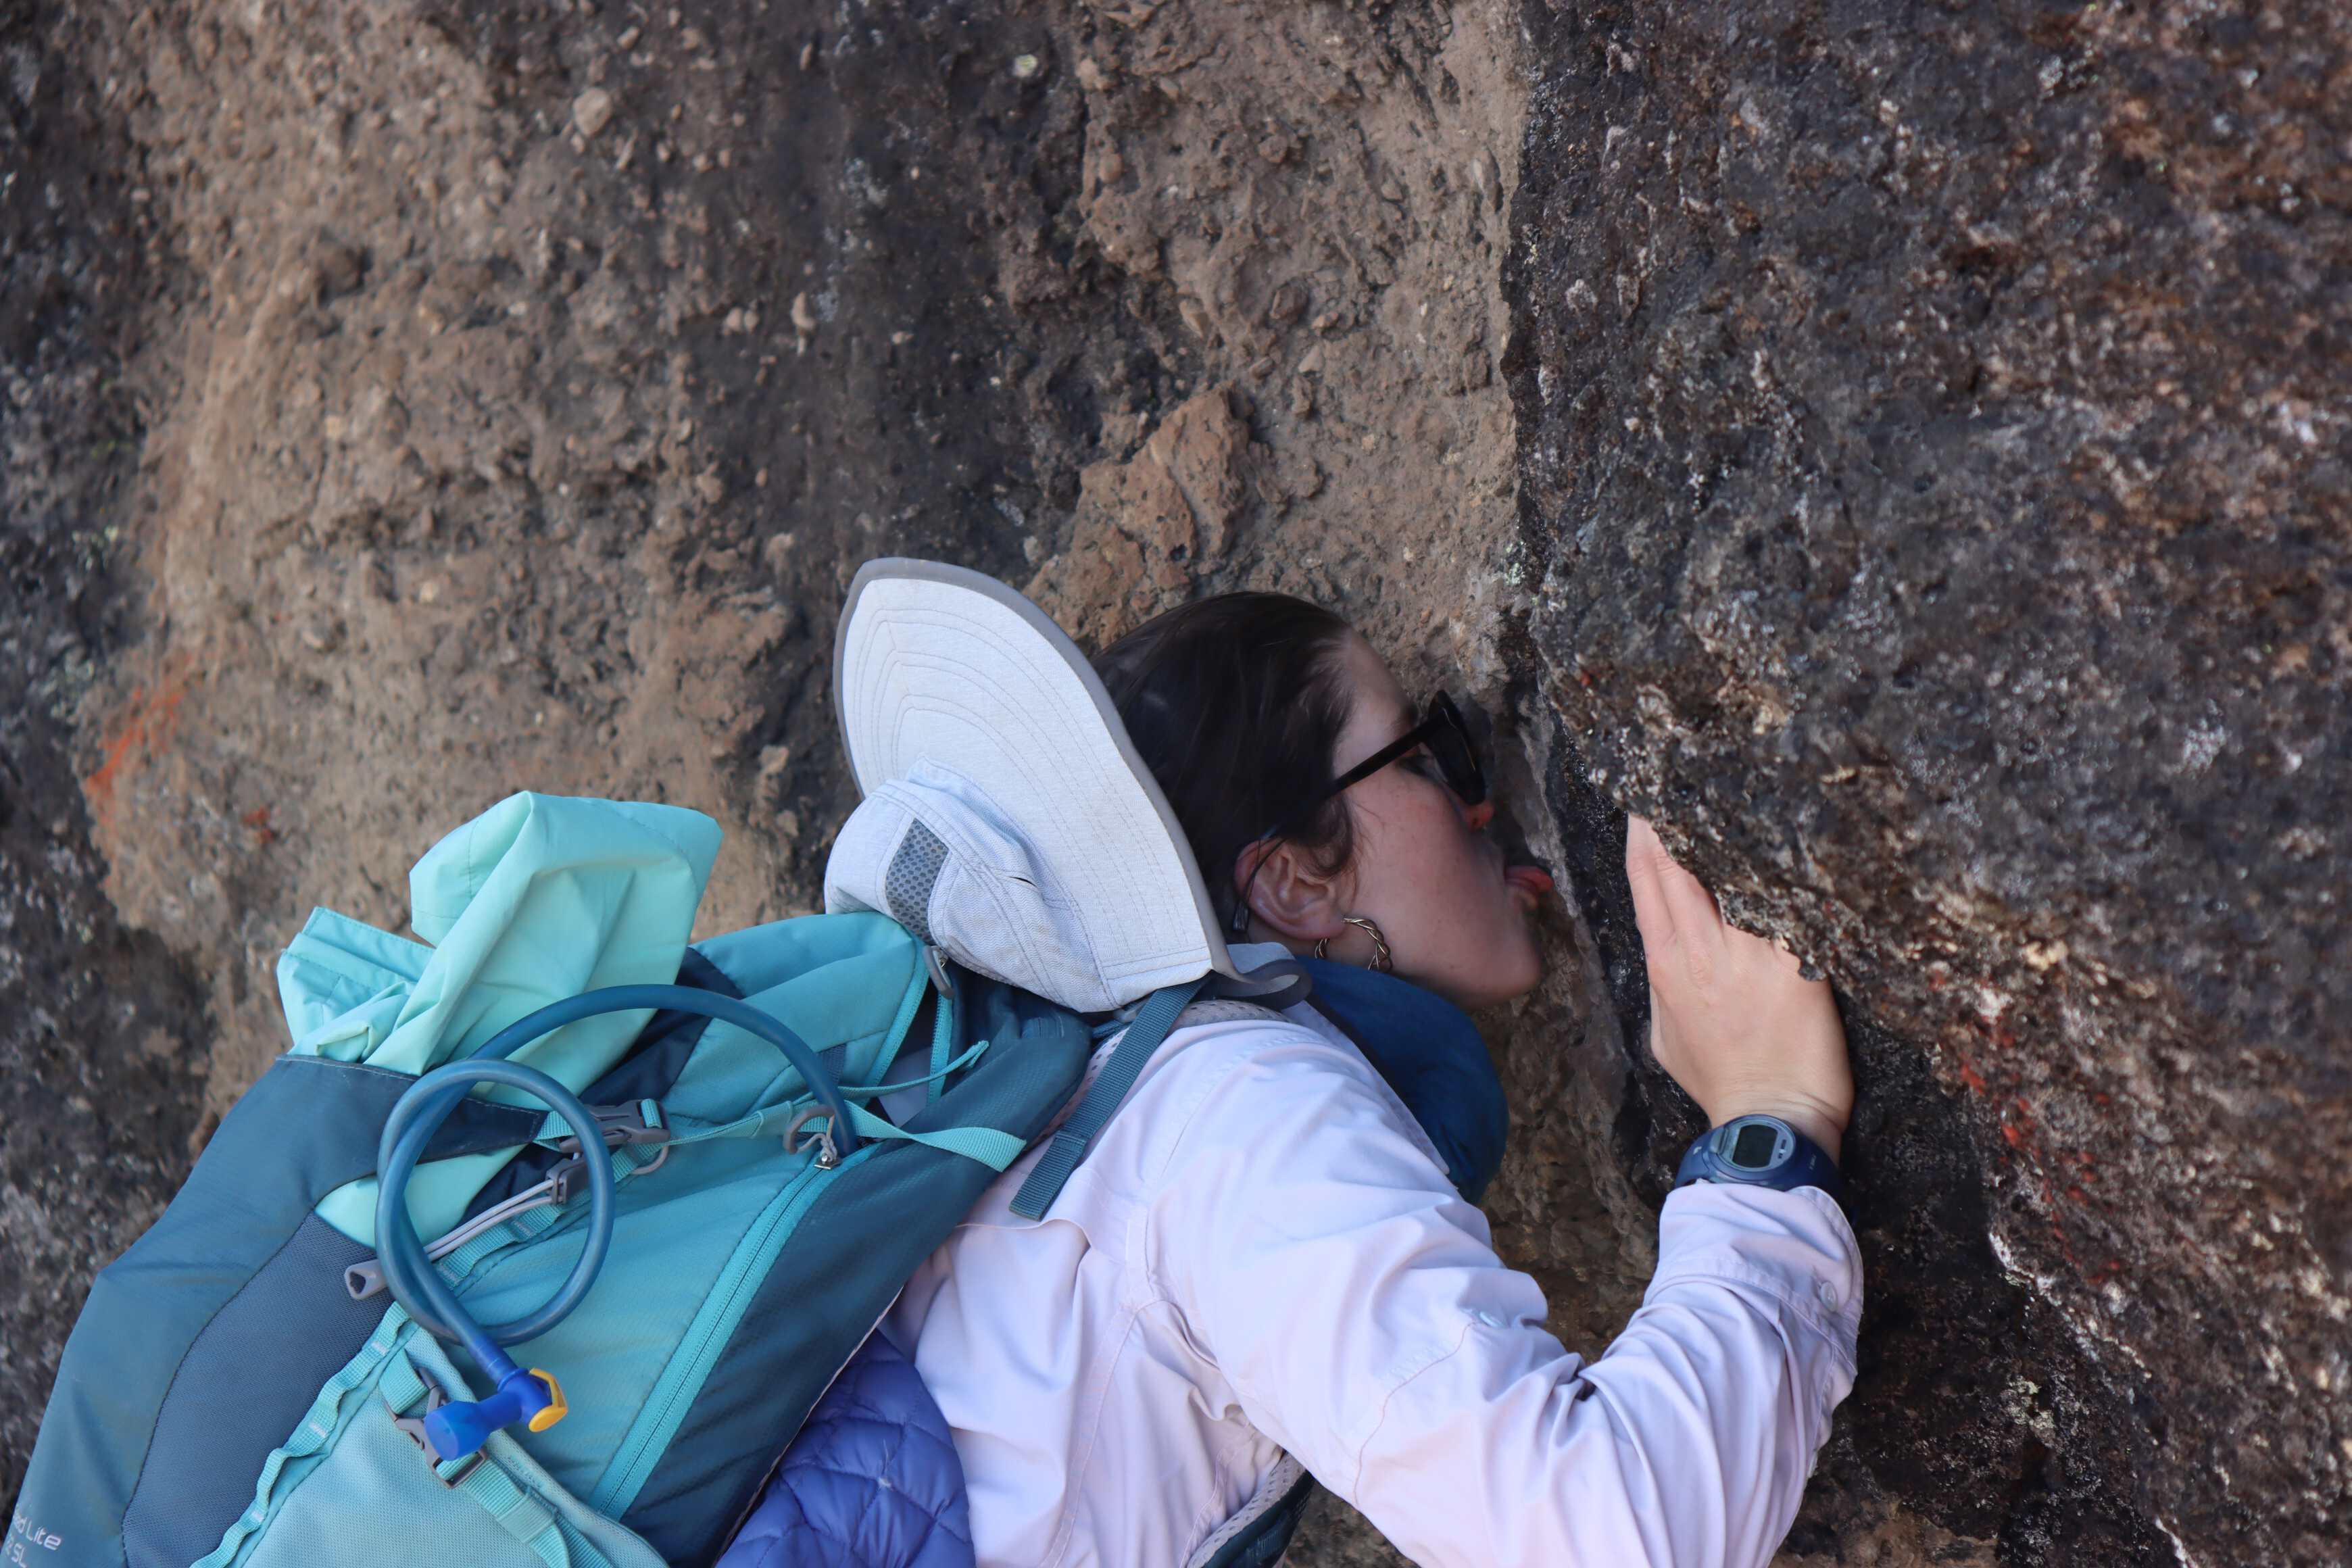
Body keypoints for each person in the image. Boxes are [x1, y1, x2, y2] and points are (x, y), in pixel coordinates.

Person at [867, 585, 1862, 1567]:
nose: (1480, 801)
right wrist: (1770, 1123)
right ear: (1297, 883)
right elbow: (1603, 1532)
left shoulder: (1094, 1106)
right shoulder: (1235, 1115)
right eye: (1423, 756)